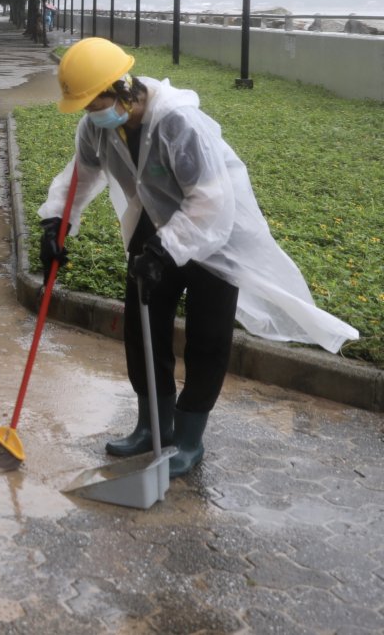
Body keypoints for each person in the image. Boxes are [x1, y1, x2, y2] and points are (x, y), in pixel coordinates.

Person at [38, 37, 358, 478]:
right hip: (155, 222)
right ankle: (152, 427)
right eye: (86, 106)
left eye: (97, 102)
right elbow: (81, 175)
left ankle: (189, 439)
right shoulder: (97, 126)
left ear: (124, 88)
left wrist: (163, 250)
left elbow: (210, 202)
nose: (92, 113)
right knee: (143, 328)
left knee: (207, 338)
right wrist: (56, 223)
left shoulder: (178, 123)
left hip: (216, 234)